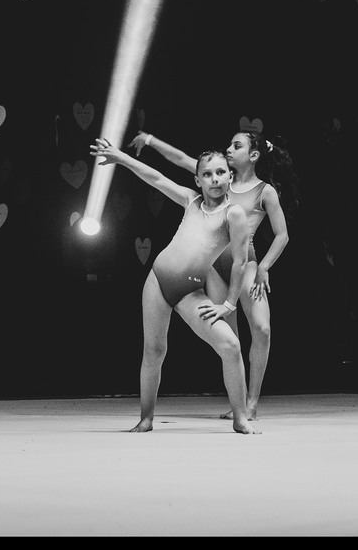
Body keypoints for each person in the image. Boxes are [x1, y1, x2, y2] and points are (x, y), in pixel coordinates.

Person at [90, 137, 260, 435]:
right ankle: (145, 419)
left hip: (189, 292)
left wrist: (229, 304)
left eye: (221, 172)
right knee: (154, 351)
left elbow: (240, 262)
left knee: (231, 346)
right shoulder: (190, 201)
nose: (215, 179)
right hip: (157, 281)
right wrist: (120, 158)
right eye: (207, 174)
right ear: (198, 180)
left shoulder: (233, 214)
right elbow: (156, 178)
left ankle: (240, 418)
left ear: (230, 177)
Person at [127, 128, 297, 420]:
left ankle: (252, 401)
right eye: (229, 145)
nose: (229, 149)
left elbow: (282, 235)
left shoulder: (263, 191)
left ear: (253, 155)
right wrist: (150, 140)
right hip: (216, 267)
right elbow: (180, 158)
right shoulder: (218, 179)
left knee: (262, 329)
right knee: (229, 337)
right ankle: (237, 404)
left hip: (247, 263)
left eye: (236, 146)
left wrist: (265, 266)